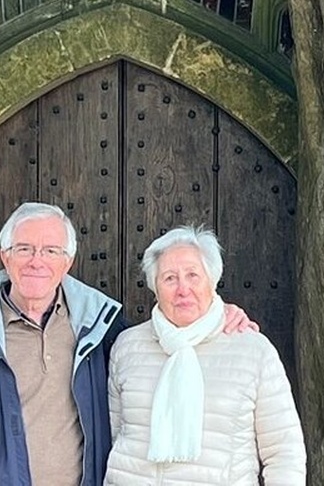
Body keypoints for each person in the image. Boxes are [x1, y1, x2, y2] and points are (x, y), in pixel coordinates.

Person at [0, 202, 255, 486]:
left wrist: (217, 316)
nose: (37, 261)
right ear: (5, 256)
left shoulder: (100, 326)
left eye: (51, 250)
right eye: (24, 249)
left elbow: (169, 338)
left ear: (67, 262)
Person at [103, 225, 306, 485]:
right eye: (169, 278)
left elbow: (284, 452)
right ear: (155, 287)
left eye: (193, 275)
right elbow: (114, 434)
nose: (182, 289)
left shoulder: (253, 351)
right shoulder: (127, 347)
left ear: (212, 280)